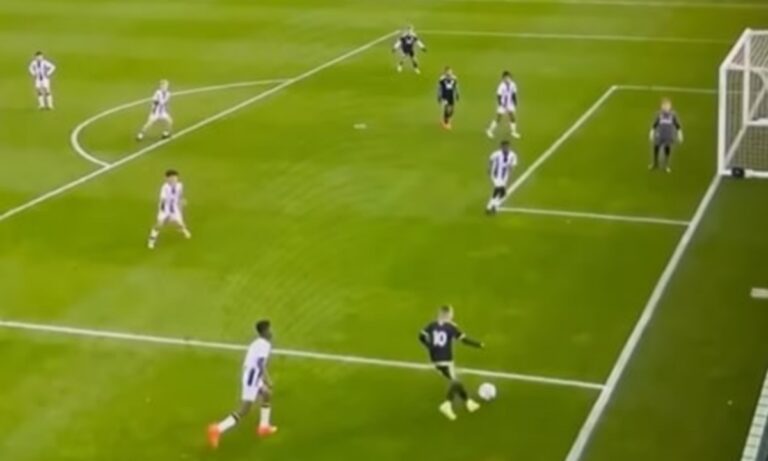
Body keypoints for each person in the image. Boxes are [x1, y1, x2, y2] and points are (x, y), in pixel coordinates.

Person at [208, 320, 278, 448]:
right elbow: (260, 364)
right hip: (252, 377)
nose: (271, 332)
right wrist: (267, 379)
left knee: (267, 394)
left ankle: (263, 427)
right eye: (269, 330)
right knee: (244, 409)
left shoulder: (258, 343)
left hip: (253, 375)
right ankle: (217, 429)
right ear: (264, 332)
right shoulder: (264, 344)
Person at [419, 305, 484, 420]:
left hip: (435, 359)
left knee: (455, 380)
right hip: (446, 360)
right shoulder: (451, 327)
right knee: (455, 381)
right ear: (448, 315)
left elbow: (421, 336)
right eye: (451, 313)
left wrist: (430, 347)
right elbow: (464, 340)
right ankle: (447, 404)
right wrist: (478, 344)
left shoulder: (432, 325)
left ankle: (468, 402)